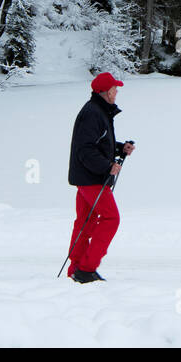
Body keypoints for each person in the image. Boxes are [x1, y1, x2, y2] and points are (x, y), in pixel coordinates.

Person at [66, 72, 134, 284]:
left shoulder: (99, 111)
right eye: (115, 89)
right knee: (111, 218)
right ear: (105, 92)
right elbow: (85, 150)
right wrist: (107, 166)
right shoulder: (93, 113)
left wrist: (120, 148)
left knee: (85, 223)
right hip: (92, 178)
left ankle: (76, 268)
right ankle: (86, 268)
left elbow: (99, 143)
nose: (117, 92)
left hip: (87, 176)